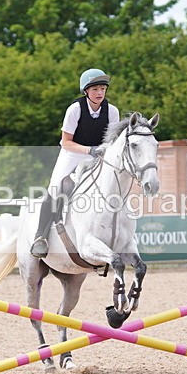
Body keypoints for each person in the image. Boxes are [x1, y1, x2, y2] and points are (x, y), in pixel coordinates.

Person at [30, 68, 121, 258]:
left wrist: (102, 152)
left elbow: (112, 141)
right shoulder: (75, 109)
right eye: (95, 89)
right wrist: (89, 150)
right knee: (55, 188)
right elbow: (66, 141)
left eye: (103, 89)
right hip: (72, 154)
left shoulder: (112, 111)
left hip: (99, 154)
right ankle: (41, 237)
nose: (100, 93)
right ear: (86, 90)